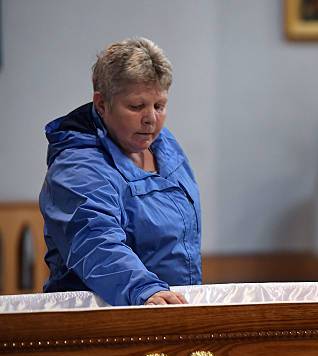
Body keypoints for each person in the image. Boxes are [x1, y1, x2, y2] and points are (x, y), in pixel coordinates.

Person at [39, 38, 201, 306]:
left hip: (170, 310)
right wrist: (145, 290)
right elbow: (95, 241)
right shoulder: (77, 167)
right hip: (106, 319)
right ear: (102, 104)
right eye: (137, 107)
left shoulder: (162, 143)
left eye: (159, 106)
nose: (151, 118)